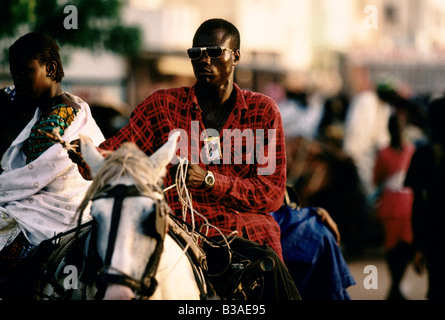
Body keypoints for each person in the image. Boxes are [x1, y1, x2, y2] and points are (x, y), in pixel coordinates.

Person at [71, 18, 300, 300]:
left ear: (236, 56)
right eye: (196, 53)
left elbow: (271, 194)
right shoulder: (161, 106)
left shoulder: (262, 112)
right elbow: (114, 152)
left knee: (271, 270)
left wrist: (209, 180)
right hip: (179, 229)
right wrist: (81, 153)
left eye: (214, 52)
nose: (204, 59)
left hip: (245, 236)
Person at [0, 33, 104, 285]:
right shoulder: (40, 110)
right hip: (38, 204)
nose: (18, 80)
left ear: (51, 68)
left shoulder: (61, 115)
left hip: (58, 211)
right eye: (15, 73)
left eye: (26, 72)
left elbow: (30, 178)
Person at [405, 97, 445, 300]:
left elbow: (418, 202)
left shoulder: (422, 154)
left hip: (435, 232)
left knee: (437, 287)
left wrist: (418, 245)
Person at [373, 114, 415, 300]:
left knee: (406, 246)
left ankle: (395, 287)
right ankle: (396, 287)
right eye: (394, 127)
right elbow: (377, 179)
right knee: (391, 247)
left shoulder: (411, 151)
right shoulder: (383, 154)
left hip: (408, 206)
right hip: (390, 207)